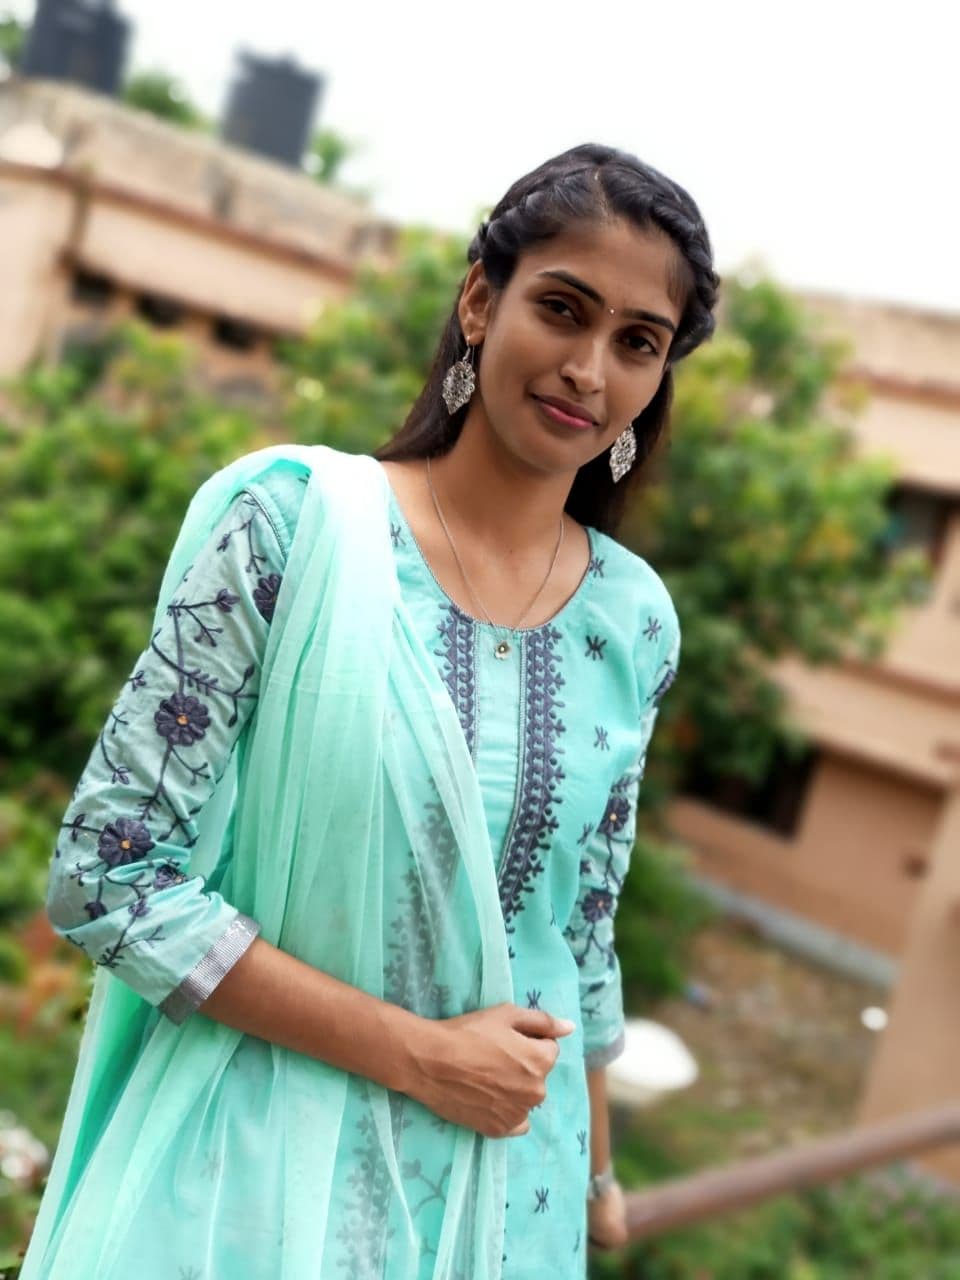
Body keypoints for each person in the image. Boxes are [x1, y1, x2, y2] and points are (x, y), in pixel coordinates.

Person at [22, 142, 718, 1279]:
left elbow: (581, 932)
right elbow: (108, 876)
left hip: (511, 1202)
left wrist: (596, 1180)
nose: (589, 369)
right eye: (562, 309)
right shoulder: (292, 529)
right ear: (481, 300)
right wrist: (420, 1056)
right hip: (256, 1187)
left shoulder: (633, 620)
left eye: (638, 342)